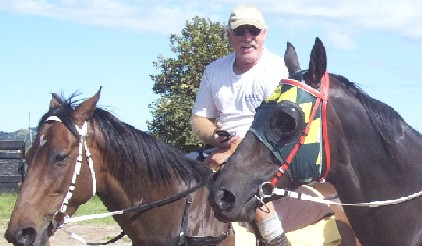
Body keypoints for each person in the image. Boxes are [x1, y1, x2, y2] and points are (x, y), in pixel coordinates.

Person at [190, 4, 342, 246]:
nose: (247, 38)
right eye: (240, 32)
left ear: (264, 34)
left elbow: (278, 129)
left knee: (253, 192)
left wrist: (233, 152)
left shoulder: (277, 72)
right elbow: (199, 119)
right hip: (219, 150)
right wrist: (215, 136)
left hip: (262, 154)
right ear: (230, 35)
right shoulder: (214, 71)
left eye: (253, 31)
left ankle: (274, 238)